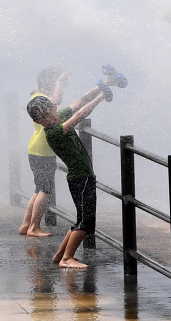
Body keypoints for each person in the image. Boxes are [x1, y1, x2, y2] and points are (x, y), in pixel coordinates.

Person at [26, 73, 123, 269]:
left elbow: (78, 103)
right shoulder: (53, 132)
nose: (55, 109)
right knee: (86, 222)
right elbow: (80, 115)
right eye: (49, 110)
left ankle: (60, 255)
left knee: (81, 219)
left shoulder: (56, 119)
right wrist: (102, 96)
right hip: (81, 178)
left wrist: (102, 86)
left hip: (81, 177)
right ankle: (66, 259)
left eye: (52, 107)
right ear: (42, 119)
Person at [19, 67, 71, 237]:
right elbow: (54, 100)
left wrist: (58, 81)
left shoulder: (36, 96)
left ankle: (26, 224)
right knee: (46, 190)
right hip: (42, 150)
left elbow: (57, 99)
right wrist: (58, 81)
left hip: (38, 149)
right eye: (53, 83)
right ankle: (34, 227)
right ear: (46, 84)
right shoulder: (39, 99)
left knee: (39, 189)